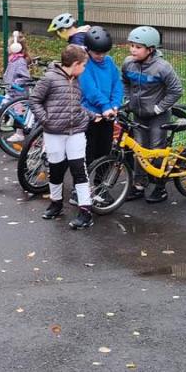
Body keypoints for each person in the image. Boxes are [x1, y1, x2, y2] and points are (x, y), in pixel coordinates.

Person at [28, 44, 94, 230]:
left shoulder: (77, 79)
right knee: (56, 169)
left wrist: (90, 115)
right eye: (83, 65)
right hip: (54, 132)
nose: (84, 69)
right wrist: (45, 120)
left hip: (76, 132)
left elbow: (74, 105)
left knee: (78, 170)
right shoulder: (50, 78)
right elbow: (35, 100)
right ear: (75, 64)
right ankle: (56, 203)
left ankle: (85, 211)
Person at [121, 26, 183, 204]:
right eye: (132, 45)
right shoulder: (128, 63)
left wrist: (159, 108)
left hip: (157, 116)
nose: (133, 49)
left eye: (138, 47)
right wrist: (127, 99)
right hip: (138, 114)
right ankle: (140, 184)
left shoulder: (162, 67)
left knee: (156, 150)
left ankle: (159, 186)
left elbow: (176, 90)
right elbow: (124, 80)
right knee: (139, 150)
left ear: (151, 49)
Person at [78, 27, 122, 164]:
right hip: (91, 115)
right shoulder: (85, 64)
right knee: (88, 150)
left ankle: (100, 183)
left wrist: (115, 104)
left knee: (105, 151)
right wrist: (105, 106)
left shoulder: (109, 62)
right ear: (88, 49)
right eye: (97, 53)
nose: (101, 56)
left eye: (104, 52)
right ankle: (83, 184)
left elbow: (117, 85)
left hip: (108, 114)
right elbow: (90, 90)